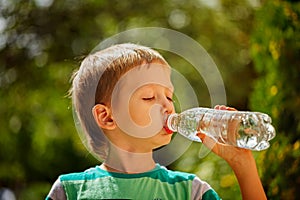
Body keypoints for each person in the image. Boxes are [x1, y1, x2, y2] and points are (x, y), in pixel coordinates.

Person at [46, 43, 267, 200]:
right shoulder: (69, 191)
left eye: (169, 96)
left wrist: (243, 164)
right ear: (107, 116)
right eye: (149, 97)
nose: (168, 106)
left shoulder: (190, 191)